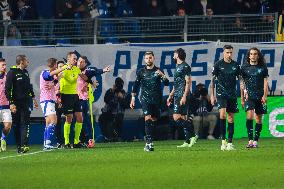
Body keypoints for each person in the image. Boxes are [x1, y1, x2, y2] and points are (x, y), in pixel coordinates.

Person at [130, 51, 169, 152]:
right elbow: (136, 85)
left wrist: (162, 75)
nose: (148, 60)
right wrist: (133, 99)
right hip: (145, 99)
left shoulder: (158, 70)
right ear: (144, 60)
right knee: (147, 119)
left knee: (153, 120)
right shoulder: (141, 72)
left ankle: (150, 138)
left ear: (154, 58)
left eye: (150, 58)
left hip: (157, 100)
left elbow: (167, 83)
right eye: (147, 58)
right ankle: (149, 143)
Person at [5, 55, 38, 153]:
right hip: (15, 103)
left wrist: (33, 98)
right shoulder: (12, 73)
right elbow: (7, 89)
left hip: (25, 102)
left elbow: (29, 87)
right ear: (21, 62)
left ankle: (24, 145)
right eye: (26, 60)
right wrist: (11, 103)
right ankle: (19, 146)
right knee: (16, 124)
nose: (28, 62)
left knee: (25, 123)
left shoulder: (26, 73)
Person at [210, 45, 240, 151]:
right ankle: (223, 141)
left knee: (231, 117)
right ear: (223, 52)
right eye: (227, 52)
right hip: (221, 94)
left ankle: (230, 143)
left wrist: (243, 91)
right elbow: (212, 81)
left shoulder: (235, 65)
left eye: (231, 52)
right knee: (222, 115)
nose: (229, 54)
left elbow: (240, 80)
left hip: (232, 95)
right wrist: (212, 95)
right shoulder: (218, 64)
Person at [77, 55, 111, 147]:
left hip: (82, 99)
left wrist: (103, 70)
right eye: (79, 60)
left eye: (82, 61)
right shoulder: (72, 70)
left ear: (85, 64)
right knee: (74, 120)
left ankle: (89, 139)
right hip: (72, 98)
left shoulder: (87, 71)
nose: (80, 62)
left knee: (84, 119)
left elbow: (95, 71)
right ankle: (78, 140)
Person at [167, 48, 197, 148]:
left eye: (173, 54)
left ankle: (193, 135)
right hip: (177, 94)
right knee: (183, 117)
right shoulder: (177, 67)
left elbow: (188, 82)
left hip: (181, 95)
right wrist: (171, 94)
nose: (172, 56)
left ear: (177, 55)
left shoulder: (185, 66)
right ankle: (187, 141)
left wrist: (184, 96)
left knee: (176, 118)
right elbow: (176, 83)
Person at [240, 47, 269, 148]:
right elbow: (242, 83)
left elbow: (266, 83)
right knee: (249, 116)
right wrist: (242, 98)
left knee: (259, 119)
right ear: (248, 55)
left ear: (258, 55)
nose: (253, 56)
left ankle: (256, 141)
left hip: (260, 96)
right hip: (249, 96)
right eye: (251, 54)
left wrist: (265, 96)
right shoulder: (244, 68)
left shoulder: (263, 68)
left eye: (255, 54)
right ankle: (250, 140)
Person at [60, 51, 88, 148]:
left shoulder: (76, 69)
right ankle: (67, 142)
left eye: (76, 59)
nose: (76, 60)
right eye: (74, 59)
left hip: (75, 95)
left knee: (80, 118)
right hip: (66, 96)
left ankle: (76, 142)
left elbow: (84, 77)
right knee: (69, 118)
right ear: (68, 59)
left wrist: (89, 81)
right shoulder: (63, 69)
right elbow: (64, 78)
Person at [39, 58, 69, 150]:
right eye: (56, 65)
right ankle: (48, 143)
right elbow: (51, 75)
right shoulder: (45, 72)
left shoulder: (50, 75)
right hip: (47, 100)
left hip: (49, 101)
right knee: (53, 120)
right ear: (54, 65)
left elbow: (54, 80)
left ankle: (46, 143)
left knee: (48, 122)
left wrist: (57, 79)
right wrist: (65, 67)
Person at [100, 77, 129, 142]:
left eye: (120, 85)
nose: (119, 87)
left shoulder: (124, 93)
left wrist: (121, 98)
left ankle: (117, 137)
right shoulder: (110, 91)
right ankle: (108, 137)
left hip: (119, 113)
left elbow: (126, 105)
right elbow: (106, 100)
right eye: (118, 84)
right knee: (104, 120)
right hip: (109, 113)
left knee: (118, 120)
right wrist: (112, 91)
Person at [0, 58, 12, 152]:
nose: (4, 67)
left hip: (6, 106)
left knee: (8, 126)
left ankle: (3, 139)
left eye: (5, 65)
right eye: (2, 65)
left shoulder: (8, 77)